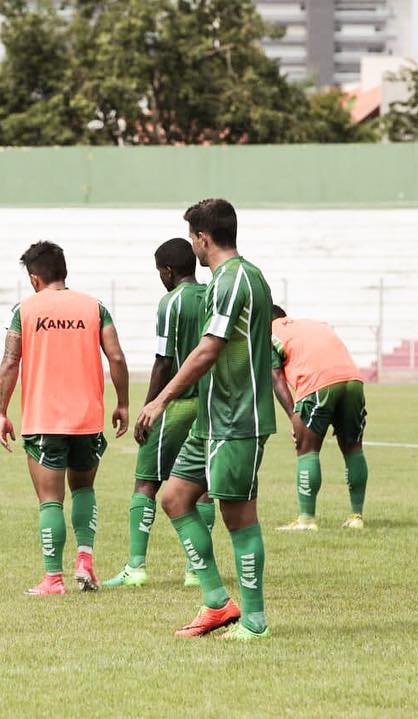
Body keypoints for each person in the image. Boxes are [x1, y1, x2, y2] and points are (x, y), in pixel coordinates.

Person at [135, 198, 275, 640]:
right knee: (175, 498)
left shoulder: (236, 278)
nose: (192, 245)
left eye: (193, 237)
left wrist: (160, 399)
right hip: (211, 421)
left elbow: (209, 348)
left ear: (203, 237)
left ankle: (254, 621)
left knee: (238, 518)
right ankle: (217, 602)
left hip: (238, 420)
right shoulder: (225, 280)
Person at [0, 241, 129, 596]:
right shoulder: (95, 308)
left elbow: (11, 362)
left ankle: (53, 579)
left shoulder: (24, 310)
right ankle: (85, 560)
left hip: (44, 420)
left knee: (50, 500)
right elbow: (116, 357)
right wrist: (124, 404)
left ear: (35, 277)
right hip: (87, 418)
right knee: (84, 488)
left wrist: (1, 411)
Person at [104, 238, 215, 589]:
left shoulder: (172, 302)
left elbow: (164, 360)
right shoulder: (213, 294)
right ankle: (195, 569)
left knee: (146, 482)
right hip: (211, 406)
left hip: (177, 405)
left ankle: (136, 567)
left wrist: (149, 406)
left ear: (167, 271)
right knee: (202, 488)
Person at [270, 305, 369, 531]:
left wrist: (293, 416)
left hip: (318, 384)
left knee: (308, 450)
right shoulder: (314, 324)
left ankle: (306, 520)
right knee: (353, 448)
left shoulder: (271, 333)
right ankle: (356, 517)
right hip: (353, 380)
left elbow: (276, 379)